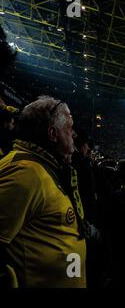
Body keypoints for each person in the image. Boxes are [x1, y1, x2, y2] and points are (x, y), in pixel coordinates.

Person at [0, 97, 87, 287]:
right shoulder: (25, 173)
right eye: (69, 128)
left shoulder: (44, 166)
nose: (74, 135)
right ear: (53, 133)